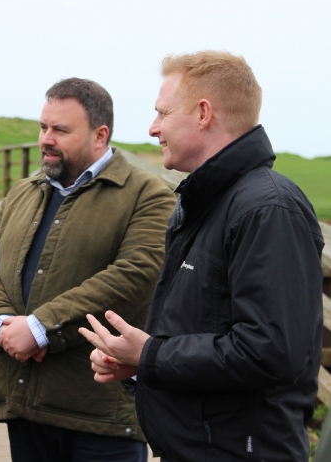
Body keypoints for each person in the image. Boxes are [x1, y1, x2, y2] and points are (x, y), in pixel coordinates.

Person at [79, 51, 325, 461]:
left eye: (162, 113)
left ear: (203, 113)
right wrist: (141, 366)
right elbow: (209, 327)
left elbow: (272, 351)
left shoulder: (267, 208)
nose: (153, 128)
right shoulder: (207, 200)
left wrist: (150, 354)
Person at [0, 78, 176, 462]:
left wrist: (41, 327)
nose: (46, 138)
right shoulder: (24, 191)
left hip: (100, 417)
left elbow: (135, 275)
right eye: (43, 127)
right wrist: (2, 322)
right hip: (24, 402)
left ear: (100, 135)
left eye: (60, 130)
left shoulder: (148, 196)